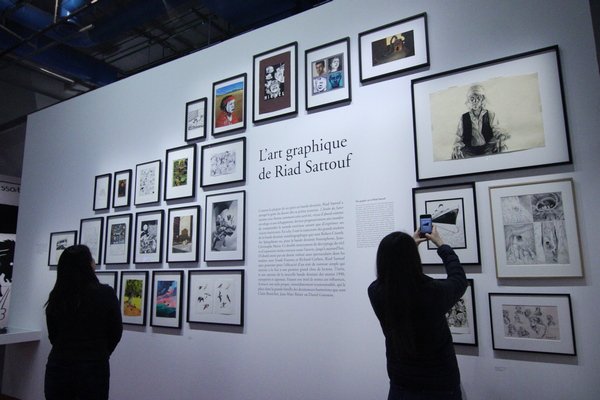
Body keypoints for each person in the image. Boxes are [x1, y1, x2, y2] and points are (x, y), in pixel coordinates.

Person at [368, 227, 467, 400]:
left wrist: (404, 251)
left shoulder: (376, 293)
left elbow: (393, 276)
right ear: (414, 259)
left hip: (401, 384)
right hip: (440, 385)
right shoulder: (432, 292)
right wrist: (442, 245)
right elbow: (459, 280)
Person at [44, 245, 122, 400]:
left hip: (59, 365)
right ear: (87, 265)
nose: (94, 263)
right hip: (93, 367)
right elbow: (115, 331)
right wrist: (100, 353)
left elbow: (53, 334)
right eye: (91, 259)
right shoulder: (105, 293)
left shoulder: (58, 295)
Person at [451, 84, 510, 159]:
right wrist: (456, 147)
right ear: (468, 100)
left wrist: (500, 138)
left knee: (503, 148)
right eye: (472, 99)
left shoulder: (491, 115)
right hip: (469, 151)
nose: (475, 101)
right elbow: (458, 136)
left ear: (482, 99)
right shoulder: (464, 117)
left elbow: (497, 130)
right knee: (455, 155)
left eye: (478, 98)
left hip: (488, 148)